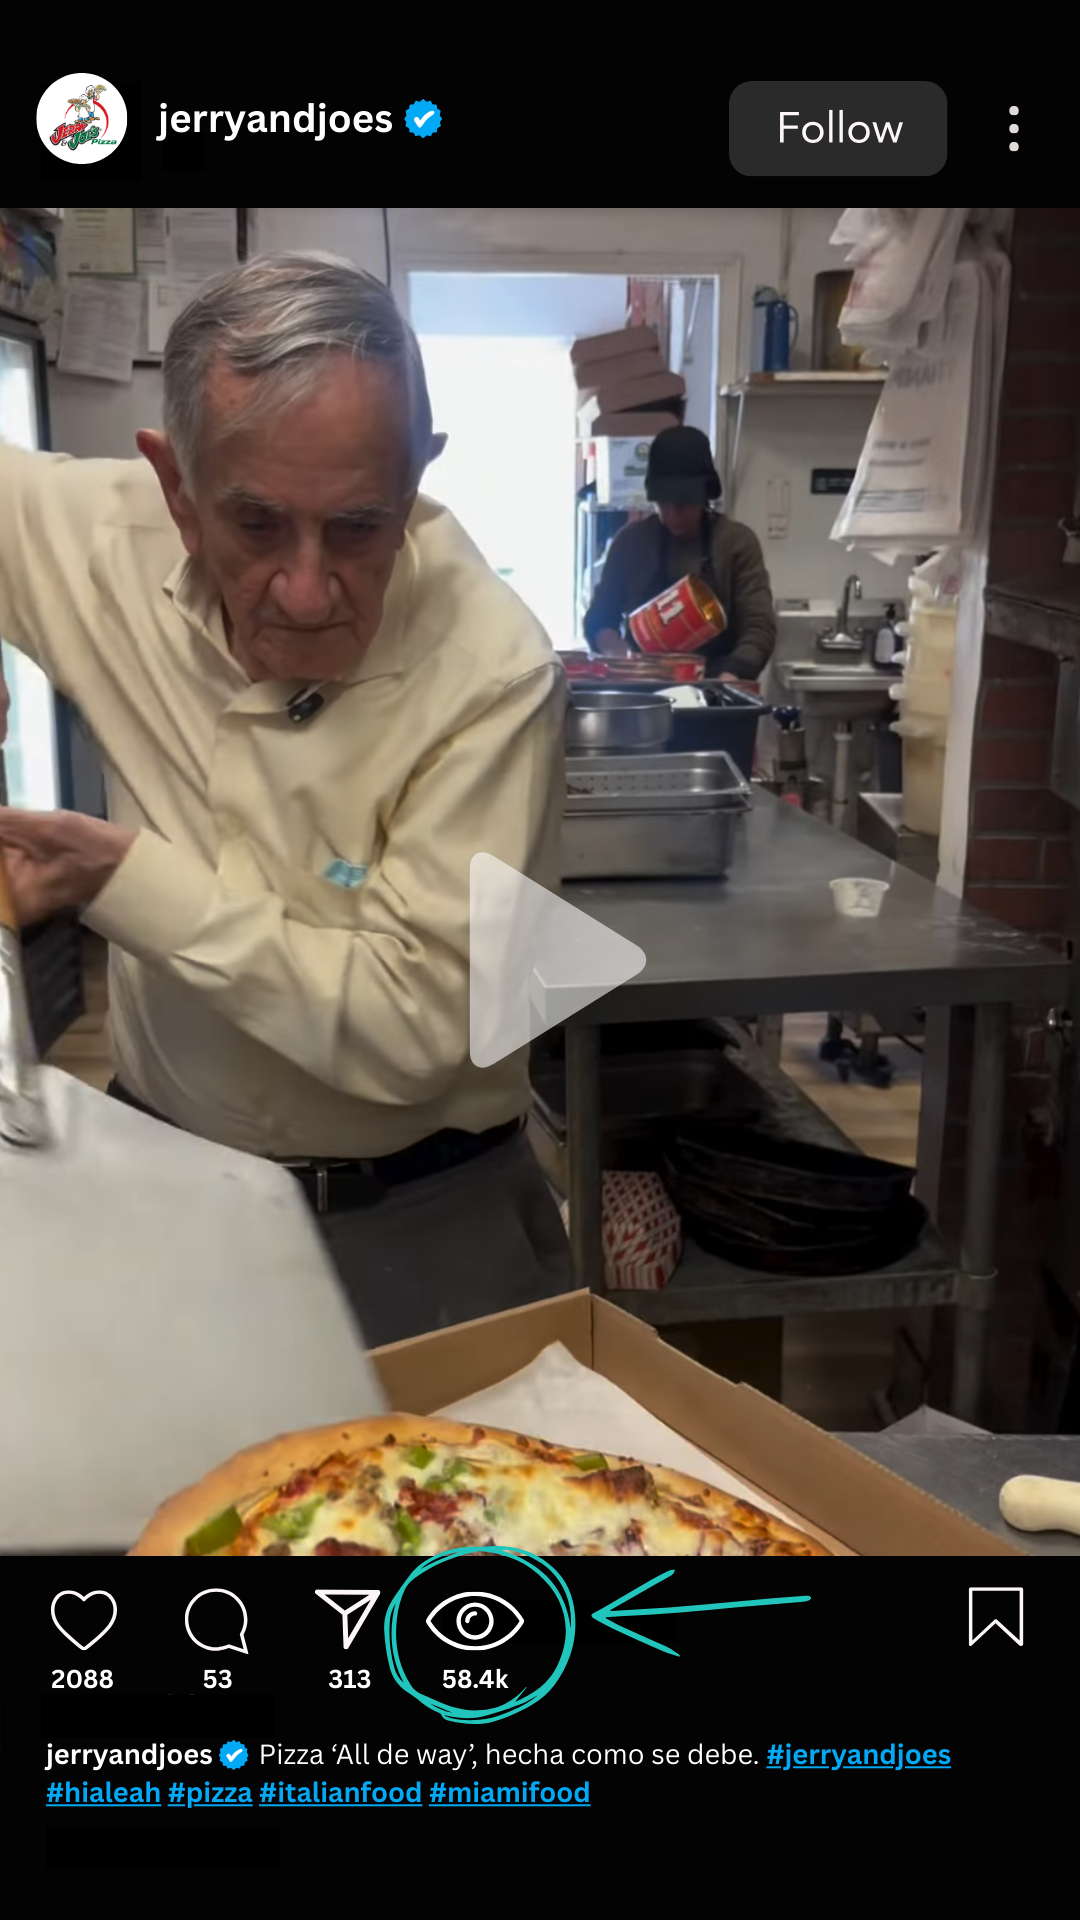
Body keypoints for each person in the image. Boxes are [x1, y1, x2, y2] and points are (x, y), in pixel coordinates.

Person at [0, 252, 573, 1346]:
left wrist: (119, 877)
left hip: (422, 1221)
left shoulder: (493, 673)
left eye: (360, 527)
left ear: (417, 479)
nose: (308, 592)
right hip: (163, 1187)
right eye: (256, 526)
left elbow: (415, 1029)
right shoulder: (103, 539)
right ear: (176, 490)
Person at [584, 425, 777, 683]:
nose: (673, 515)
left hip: (717, 688)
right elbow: (599, 621)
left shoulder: (737, 544)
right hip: (643, 692)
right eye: (663, 504)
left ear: (704, 495)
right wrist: (626, 659)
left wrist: (731, 677)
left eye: (684, 504)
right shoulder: (630, 544)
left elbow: (759, 629)